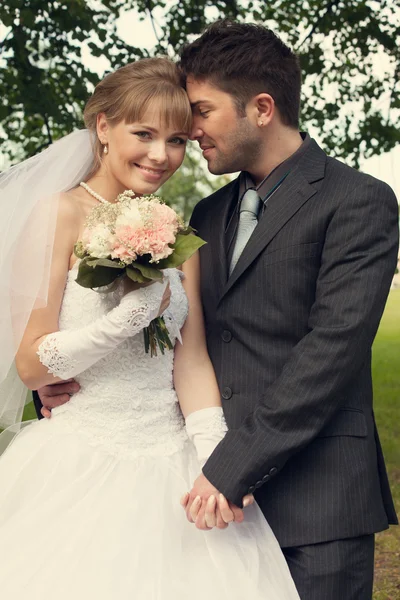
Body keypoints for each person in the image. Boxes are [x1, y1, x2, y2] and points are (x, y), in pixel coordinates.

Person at [0, 57, 300, 599]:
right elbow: (30, 363)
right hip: (80, 455)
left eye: (178, 139)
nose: (161, 155)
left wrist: (216, 458)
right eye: (144, 134)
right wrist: (122, 323)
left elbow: (191, 360)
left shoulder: (177, 234)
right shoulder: (58, 215)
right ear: (103, 128)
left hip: (172, 459)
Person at [175, 20, 399, 600]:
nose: (189, 128)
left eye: (201, 110)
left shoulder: (359, 201)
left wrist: (233, 466)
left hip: (317, 502)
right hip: (211, 503)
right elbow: (187, 337)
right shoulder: (205, 215)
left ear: (263, 107)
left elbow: (331, 352)